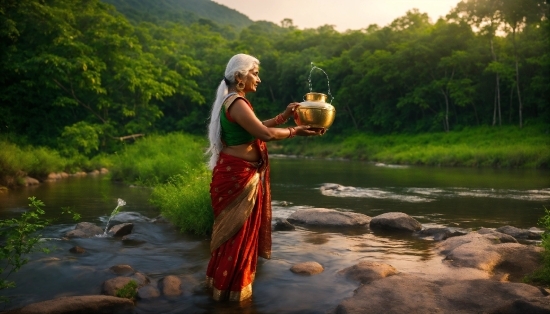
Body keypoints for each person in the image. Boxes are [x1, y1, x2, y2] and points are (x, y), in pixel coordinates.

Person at [205, 53, 323, 302]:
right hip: (237, 178)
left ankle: (222, 288)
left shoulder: (236, 101)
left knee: (236, 236)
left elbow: (256, 128)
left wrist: (283, 117)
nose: (258, 79)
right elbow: (265, 135)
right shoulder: (236, 102)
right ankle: (231, 292)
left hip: (237, 175)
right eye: (255, 73)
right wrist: (295, 131)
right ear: (240, 76)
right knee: (236, 236)